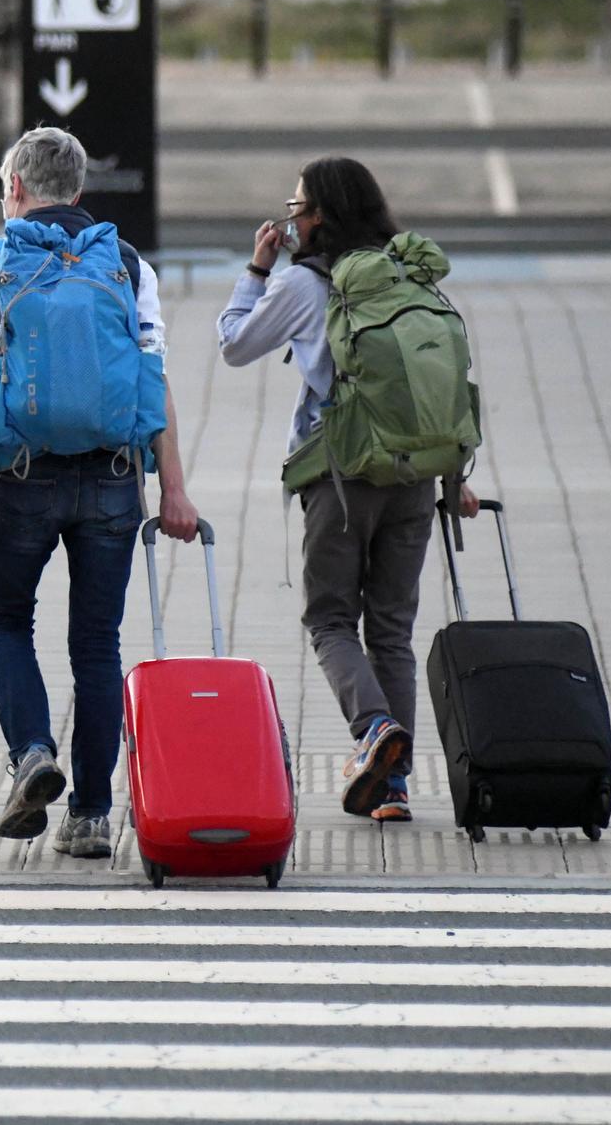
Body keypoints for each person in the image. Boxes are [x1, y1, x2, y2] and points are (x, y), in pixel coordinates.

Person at [0, 127, 199, 858]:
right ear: (79, 192)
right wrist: (174, 488)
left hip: (21, 479)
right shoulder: (124, 262)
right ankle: (89, 815)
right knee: (96, 643)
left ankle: (32, 751)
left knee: (4, 619)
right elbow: (154, 378)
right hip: (115, 481)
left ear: (16, 189)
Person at [217, 156, 479, 824]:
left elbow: (235, 344)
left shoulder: (306, 284)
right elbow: (440, 384)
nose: (290, 215)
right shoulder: (405, 271)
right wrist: (456, 481)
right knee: (391, 628)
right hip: (417, 478)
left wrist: (256, 270)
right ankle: (392, 789)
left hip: (342, 475)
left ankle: (373, 731)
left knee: (331, 619)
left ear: (320, 216)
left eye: (297, 205)